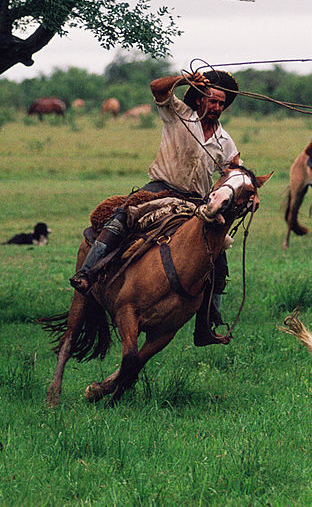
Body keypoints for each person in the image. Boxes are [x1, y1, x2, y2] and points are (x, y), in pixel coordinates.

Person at [69, 69, 241, 346]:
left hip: (196, 202)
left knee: (217, 259)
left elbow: (231, 171)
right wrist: (184, 79)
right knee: (121, 217)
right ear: (199, 99)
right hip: (160, 189)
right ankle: (87, 275)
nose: (217, 107)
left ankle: (206, 325)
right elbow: (157, 87)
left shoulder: (225, 140)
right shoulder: (178, 113)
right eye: (212, 100)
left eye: (222, 103)